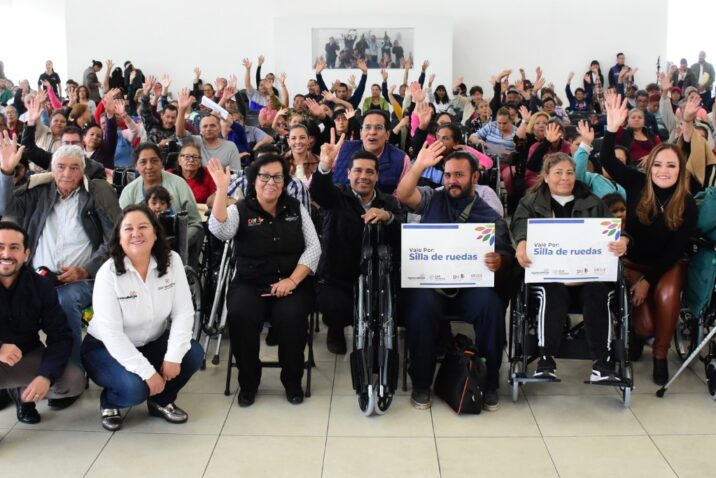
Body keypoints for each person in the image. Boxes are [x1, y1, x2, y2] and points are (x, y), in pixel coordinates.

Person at [0, 136, 121, 401]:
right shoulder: (39, 190)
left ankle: (69, 372)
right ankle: (14, 377)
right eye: (61, 167)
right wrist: (6, 173)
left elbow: (114, 239)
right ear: (52, 169)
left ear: (83, 171)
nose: (67, 173)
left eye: (74, 167)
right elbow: (8, 209)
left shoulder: (96, 193)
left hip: (81, 280)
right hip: (37, 277)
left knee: (65, 301)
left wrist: (86, 270)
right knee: (11, 300)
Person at [395, 145, 514, 411]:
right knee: (419, 309)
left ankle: (489, 382)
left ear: (475, 177)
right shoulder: (432, 199)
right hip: (432, 285)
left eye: (459, 175)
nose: (452, 181)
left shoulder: (490, 216)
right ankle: (422, 383)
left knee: (492, 309)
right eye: (448, 175)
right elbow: (403, 195)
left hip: (470, 288)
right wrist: (419, 165)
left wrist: (500, 260)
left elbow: (507, 255)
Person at [207, 154, 320, 407]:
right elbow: (220, 230)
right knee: (241, 316)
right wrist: (222, 189)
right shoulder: (239, 209)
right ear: (253, 180)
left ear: (285, 181)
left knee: (292, 319)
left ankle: (292, 381)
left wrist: (292, 281)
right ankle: (248, 383)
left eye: (277, 177)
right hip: (250, 283)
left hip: (290, 283)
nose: (271, 182)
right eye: (264, 176)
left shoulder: (296, 208)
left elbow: (314, 248)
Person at [600, 92, 697, 385]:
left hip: (667, 265)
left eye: (671, 166)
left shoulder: (687, 202)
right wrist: (611, 128)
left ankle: (660, 355)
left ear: (680, 170)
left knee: (666, 296)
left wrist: (648, 282)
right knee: (644, 327)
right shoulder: (637, 183)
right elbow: (608, 160)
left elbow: (676, 249)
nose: (663, 171)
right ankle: (639, 335)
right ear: (649, 165)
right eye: (658, 165)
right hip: (634, 263)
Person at [82, 204, 204, 431]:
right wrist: (148, 373)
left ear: (155, 233)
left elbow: (183, 312)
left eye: (143, 227)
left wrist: (173, 356)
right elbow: (112, 335)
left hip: (152, 341)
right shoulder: (108, 273)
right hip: (104, 348)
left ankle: (160, 401)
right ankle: (110, 402)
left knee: (193, 353)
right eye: (128, 229)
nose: (136, 233)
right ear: (119, 238)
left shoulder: (172, 261)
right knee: (135, 389)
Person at [511, 152, 629, 381]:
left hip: (587, 275)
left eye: (570, 172)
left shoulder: (593, 202)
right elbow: (519, 226)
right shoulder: (530, 203)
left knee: (598, 291)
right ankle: (546, 360)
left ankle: (602, 364)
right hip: (550, 276)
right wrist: (522, 243)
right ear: (546, 176)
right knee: (552, 291)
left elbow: (616, 230)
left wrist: (623, 240)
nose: (565, 178)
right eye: (558, 173)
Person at [310, 132, 405, 354]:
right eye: (358, 171)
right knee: (336, 307)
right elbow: (319, 192)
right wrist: (324, 166)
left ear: (377, 176)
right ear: (348, 173)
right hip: (338, 276)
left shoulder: (389, 202)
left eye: (370, 172)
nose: (364, 176)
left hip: (379, 276)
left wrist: (387, 217)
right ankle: (335, 330)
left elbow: (402, 233)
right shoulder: (337, 195)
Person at [0, 220, 85, 424]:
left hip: (27, 355)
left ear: (26, 254)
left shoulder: (40, 286)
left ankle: (22, 396)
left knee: (73, 380)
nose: (6, 254)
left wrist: (45, 376)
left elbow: (61, 337)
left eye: (14, 247)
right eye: (0, 247)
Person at [119, 143, 204, 264]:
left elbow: (195, 224)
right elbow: (122, 229)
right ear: (136, 166)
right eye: (143, 162)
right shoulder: (129, 191)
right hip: (139, 252)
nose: (149, 166)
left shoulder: (179, 184)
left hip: (176, 252)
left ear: (162, 162)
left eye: (154, 161)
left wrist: (178, 243)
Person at [332, 110, 411, 194]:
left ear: (387, 134)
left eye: (379, 127)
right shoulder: (343, 149)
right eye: (367, 127)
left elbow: (404, 196)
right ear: (361, 133)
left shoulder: (401, 159)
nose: (372, 132)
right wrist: (324, 167)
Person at [176, 89, 240, 170]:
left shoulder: (230, 147)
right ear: (200, 130)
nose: (208, 129)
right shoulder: (194, 141)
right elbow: (180, 134)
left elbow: (236, 173)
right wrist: (181, 110)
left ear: (219, 128)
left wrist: (223, 99)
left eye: (212, 126)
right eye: (205, 126)